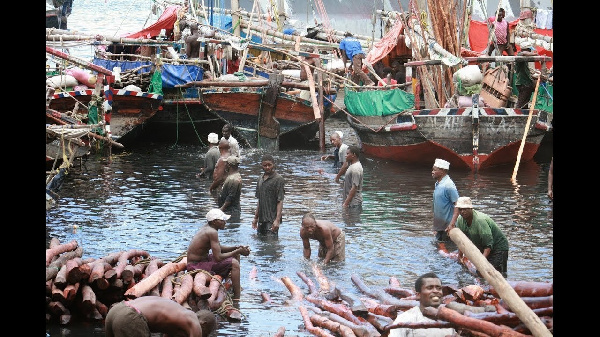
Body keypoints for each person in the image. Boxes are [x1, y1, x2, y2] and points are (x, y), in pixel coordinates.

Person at [187, 208, 251, 301]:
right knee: (235, 263)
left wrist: (236, 248)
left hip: (201, 261)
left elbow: (219, 247)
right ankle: (237, 298)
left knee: (235, 255)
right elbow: (218, 257)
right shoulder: (212, 232)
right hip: (195, 265)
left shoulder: (209, 228)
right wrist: (238, 251)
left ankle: (234, 285)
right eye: (222, 220)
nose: (225, 222)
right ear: (214, 222)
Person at [105, 296, 217, 337]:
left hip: (116, 310)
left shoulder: (176, 314)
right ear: (203, 323)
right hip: (129, 316)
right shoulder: (194, 321)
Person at [452, 197, 509, 276]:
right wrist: (460, 256)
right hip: (483, 247)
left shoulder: (480, 221)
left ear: (471, 208)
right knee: (481, 273)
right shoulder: (460, 220)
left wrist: (480, 263)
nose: (462, 212)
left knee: (496, 274)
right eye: (460, 209)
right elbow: (462, 240)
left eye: (465, 209)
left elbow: (488, 244)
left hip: (498, 248)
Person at [388, 272, 458, 337]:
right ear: (418, 295)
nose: (436, 291)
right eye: (430, 288)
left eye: (438, 288)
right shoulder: (405, 319)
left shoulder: (448, 318)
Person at [252, 154, 285, 236]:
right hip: (261, 220)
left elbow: (280, 201)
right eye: (265, 165)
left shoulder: (278, 179)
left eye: (269, 165)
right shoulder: (260, 179)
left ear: (273, 164)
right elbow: (259, 200)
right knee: (261, 245)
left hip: (272, 221)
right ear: (261, 166)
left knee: (271, 246)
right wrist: (255, 218)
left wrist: (277, 220)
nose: (267, 167)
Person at [432, 158, 459, 242]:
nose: (432, 172)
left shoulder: (449, 185)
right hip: (440, 226)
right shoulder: (438, 183)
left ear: (442, 171)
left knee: (447, 250)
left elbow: (457, 205)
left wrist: (452, 224)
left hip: (447, 227)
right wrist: (436, 227)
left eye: (434, 170)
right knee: (439, 248)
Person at [514, 40, 541, 109]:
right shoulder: (519, 55)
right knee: (521, 102)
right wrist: (535, 54)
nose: (530, 51)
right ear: (527, 49)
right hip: (523, 83)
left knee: (525, 102)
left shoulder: (524, 59)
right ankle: (517, 114)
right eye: (529, 50)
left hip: (525, 83)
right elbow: (523, 53)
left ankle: (523, 114)